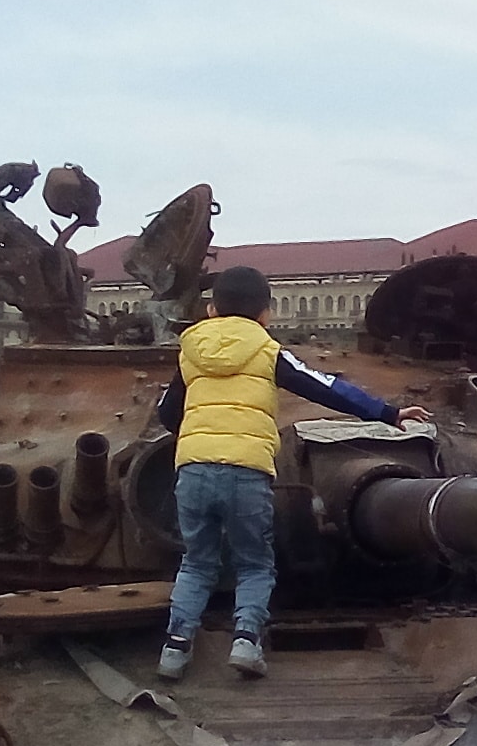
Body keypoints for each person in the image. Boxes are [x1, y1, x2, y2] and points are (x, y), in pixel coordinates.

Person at [153, 265, 401, 681]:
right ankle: (246, 643)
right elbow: (324, 386)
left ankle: (174, 650)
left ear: (211, 310)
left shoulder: (190, 350)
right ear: (266, 313)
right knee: (253, 562)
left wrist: (201, 436)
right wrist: (387, 413)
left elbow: (167, 411)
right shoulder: (267, 351)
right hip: (246, 472)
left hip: (194, 469)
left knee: (196, 562)